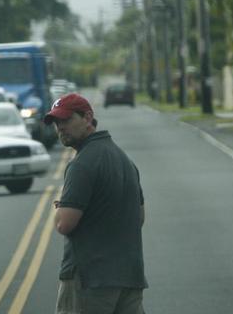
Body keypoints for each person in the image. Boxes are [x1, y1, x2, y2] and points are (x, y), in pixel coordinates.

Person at [44, 93, 147, 314]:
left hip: (90, 280)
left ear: (88, 117)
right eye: (56, 122)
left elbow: (64, 224)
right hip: (129, 277)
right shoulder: (124, 160)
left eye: (66, 120)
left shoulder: (82, 164)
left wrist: (61, 205)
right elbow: (139, 218)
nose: (60, 127)